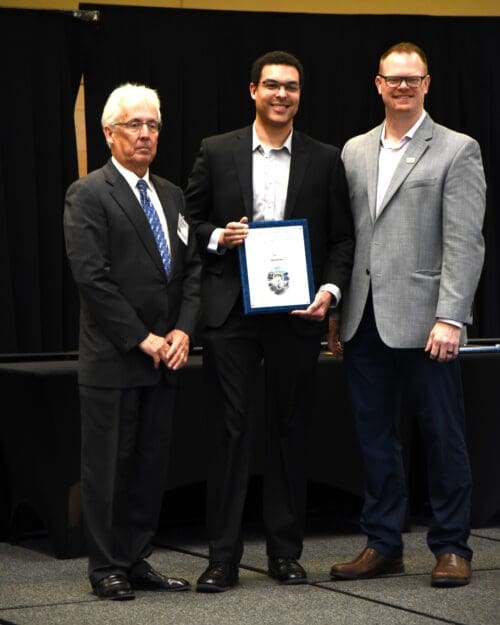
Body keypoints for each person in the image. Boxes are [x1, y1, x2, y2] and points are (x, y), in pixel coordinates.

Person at [184, 50, 354, 592]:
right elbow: (187, 220)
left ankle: (285, 553)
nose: (283, 95)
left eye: (293, 88)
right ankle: (222, 560)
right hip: (231, 310)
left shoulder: (326, 159)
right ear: (252, 90)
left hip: (298, 311)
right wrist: (217, 237)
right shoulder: (216, 150)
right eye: (273, 86)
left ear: (301, 95)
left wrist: (329, 291)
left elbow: (342, 238)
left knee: (289, 430)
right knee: (231, 432)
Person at [328, 42, 486, 587]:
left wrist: (452, 316)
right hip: (363, 318)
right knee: (375, 437)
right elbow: (347, 238)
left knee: (443, 435)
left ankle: (451, 546)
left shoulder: (458, 149)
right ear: (377, 85)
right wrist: (337, 313)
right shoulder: (352, 150)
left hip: (427, 322)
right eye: (392, 79)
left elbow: (465, 242)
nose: (401, 86)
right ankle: (383, 543)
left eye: (411, 79)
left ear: (427, 84)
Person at [64, 83, 201, 600]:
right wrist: (142, 337)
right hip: (115, 358)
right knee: (108, 467)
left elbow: (189, 273)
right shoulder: (89, 193)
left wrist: (184, 329)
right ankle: (105, 567)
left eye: (153, 126)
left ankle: (135, 557)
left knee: (149, 466)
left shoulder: (171, 194)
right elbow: (91, 277)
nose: (145, 135)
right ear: (109, 132)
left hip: (167, 356)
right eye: (134, 125)